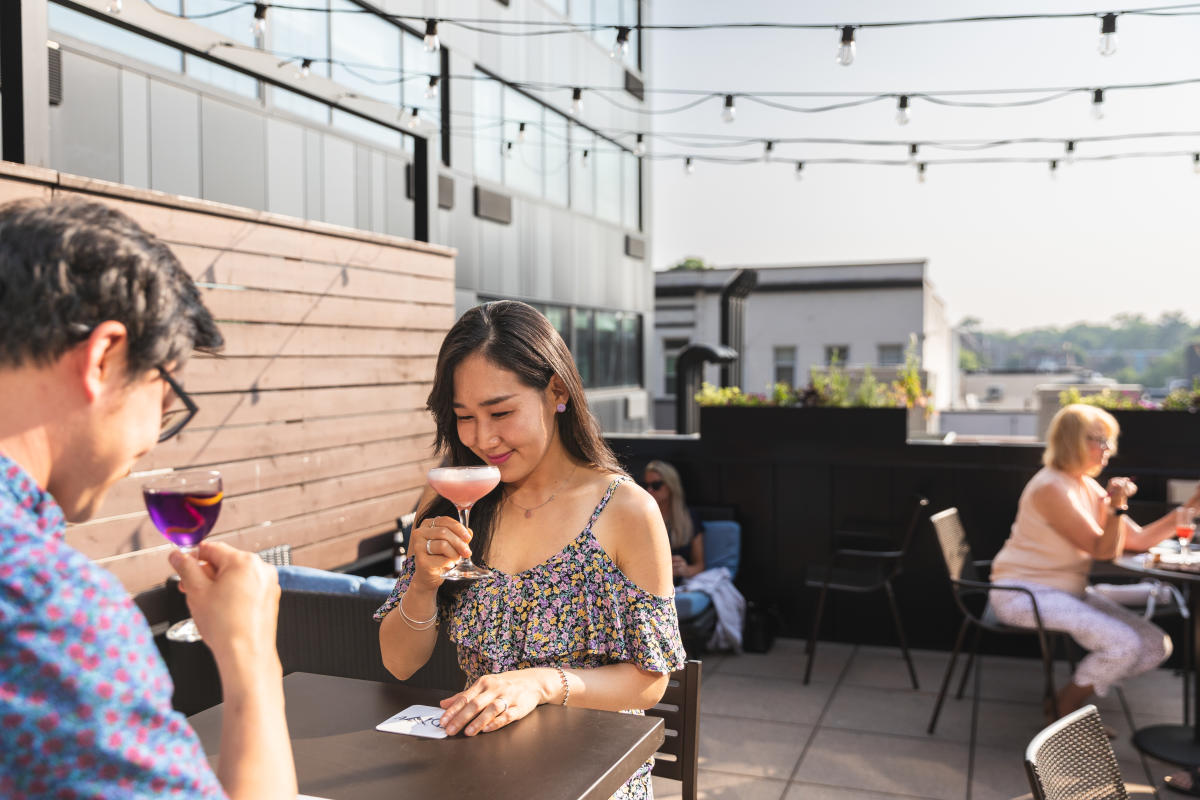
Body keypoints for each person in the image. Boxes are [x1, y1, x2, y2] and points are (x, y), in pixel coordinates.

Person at [0, 198, 296, 799]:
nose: (151, 445)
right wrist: (251, 659)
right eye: (165, 403)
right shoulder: (50, 612)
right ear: (105, 358)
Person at [376, 300, 686, 800]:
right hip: (481, 770)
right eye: (464, 417)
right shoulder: (451, 503)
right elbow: (398, 663)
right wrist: (423, 583)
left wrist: (541, 684)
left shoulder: (625, 510)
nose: (483, 438)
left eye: (501, 412)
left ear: (557, 391)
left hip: (592, 776)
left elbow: (650, 682)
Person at [989, 403, 1199, 725]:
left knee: (1155, 645)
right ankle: (1063, 714)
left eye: (1108, 441)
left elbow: (1139, 541)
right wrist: (1117, 506)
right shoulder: (1051, 487)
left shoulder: (1083, 483)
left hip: (1068, 592)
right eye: (1098, 440)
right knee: (1123, 643)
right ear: (1071, 441)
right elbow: (1103, 551)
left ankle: (1061, 704)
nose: (1107, 450)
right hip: (1022, 594)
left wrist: (1191, 508)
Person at [644, 459, 705, 583]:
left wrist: (685, 570)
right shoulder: (641, 517)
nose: (649, 490)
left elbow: (700, 565)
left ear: (671, 485)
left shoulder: (689, 518)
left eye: (656, 485)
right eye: (645, 485)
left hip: (677, 584)